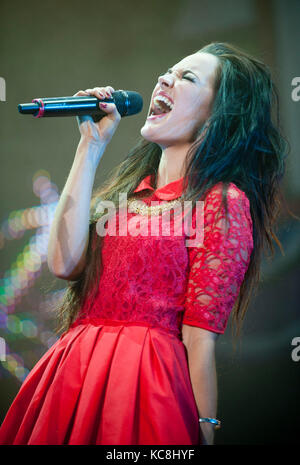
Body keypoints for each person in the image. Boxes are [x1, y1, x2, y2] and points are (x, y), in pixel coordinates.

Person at [0, 42, 288, 445]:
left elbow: (199, 338)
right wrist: (91, 145)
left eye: (186, 77)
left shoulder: (221, 202)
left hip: (144, 384)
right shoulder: (129, 196)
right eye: (168, 71)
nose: (163, 78)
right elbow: (63, 264)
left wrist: (207, 428)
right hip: (75, 374)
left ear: (218, 115)